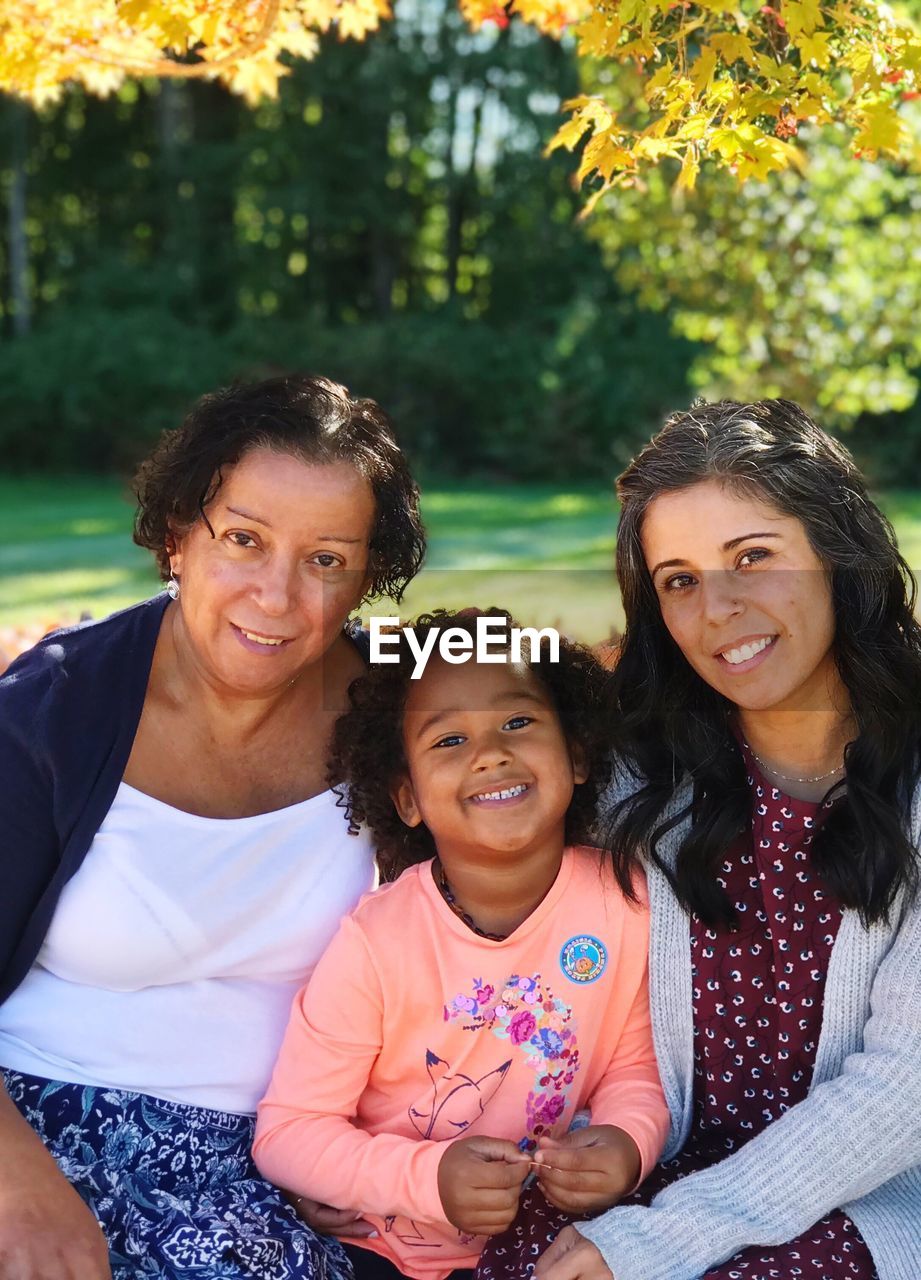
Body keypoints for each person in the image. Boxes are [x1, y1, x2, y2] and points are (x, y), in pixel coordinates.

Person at [480, 399, 921, 1280]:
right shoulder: (637, 771)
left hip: (863, 1197)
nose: (716, 609)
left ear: (837, 552)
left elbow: (900, 1094)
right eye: (677, 579)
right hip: (649, 1165)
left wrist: (660, 1240)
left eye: (752, 558)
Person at [0, 374, 426, 1280]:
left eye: (325, 560)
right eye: (243, 539)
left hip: (296, 1160)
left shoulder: (405, 697)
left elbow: (551, 674)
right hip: (39, 1130)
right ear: (175, 536)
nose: (275, 595)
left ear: (363, 580)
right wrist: (20, 1188)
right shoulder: (49, 714)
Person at [252, 611, 671, 1280]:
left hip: (558, 1248)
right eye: (448, 739)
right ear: (407, 797)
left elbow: (635, 1070)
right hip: (384, 1253)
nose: (489, 753)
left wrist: (625, 1143)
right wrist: (427, 1178)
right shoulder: (376, 943)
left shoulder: (626, 905)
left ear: (578, 755)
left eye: (516, 723)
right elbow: (289, 1133)